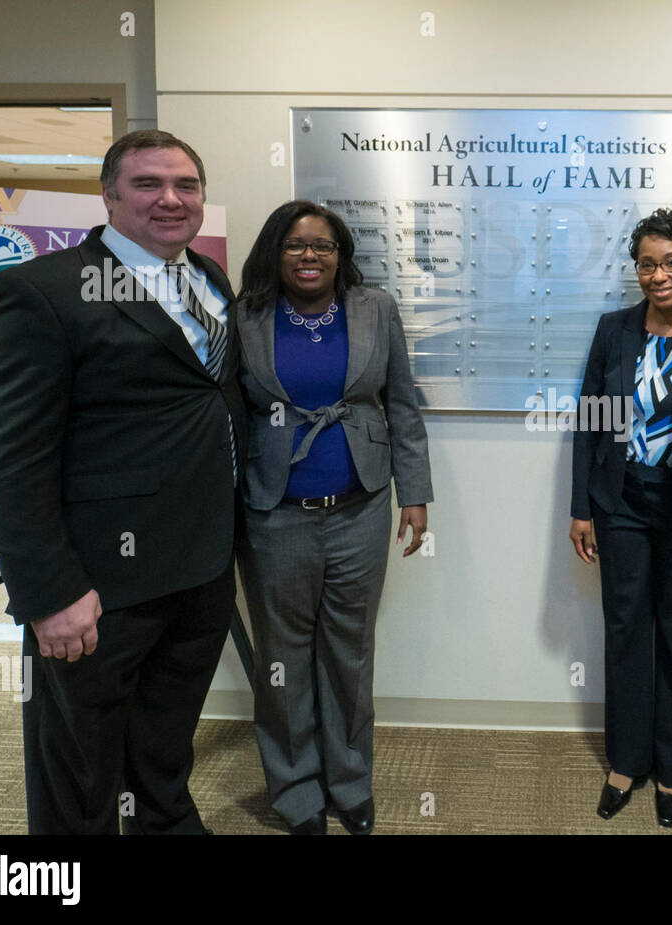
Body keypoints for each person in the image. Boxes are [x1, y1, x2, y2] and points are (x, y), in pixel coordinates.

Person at [0, 129, 245, 834]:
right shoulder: (41, 290)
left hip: (200, 569)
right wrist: (50, 591)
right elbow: (7, 457)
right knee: (78, 778)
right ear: (110, 195)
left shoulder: (210, 280)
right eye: (148, 184)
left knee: (161, 749)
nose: (170, 199)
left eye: (186, 185)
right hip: (96, 587)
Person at [234, 200, 432, 836]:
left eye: (323, 245)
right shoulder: (245, 316)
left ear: (341, 253)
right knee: (282, 659)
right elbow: (225, 417)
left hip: (361, 509)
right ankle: (295, 792)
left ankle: (350, 785)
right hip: (274, 513)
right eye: (295, 245)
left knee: (349, 653)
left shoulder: (375, 309)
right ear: (276, 252)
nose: (310, 255)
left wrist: (416, 494)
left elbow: (402, 404)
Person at [570, 208, 672, 827]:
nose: (659, 275)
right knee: (625, 630)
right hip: (621, 503)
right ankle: (626, 761)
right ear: (635, 268)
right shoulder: (615, 330)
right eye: (647, 263)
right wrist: (581, 507)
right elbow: (591, 420)